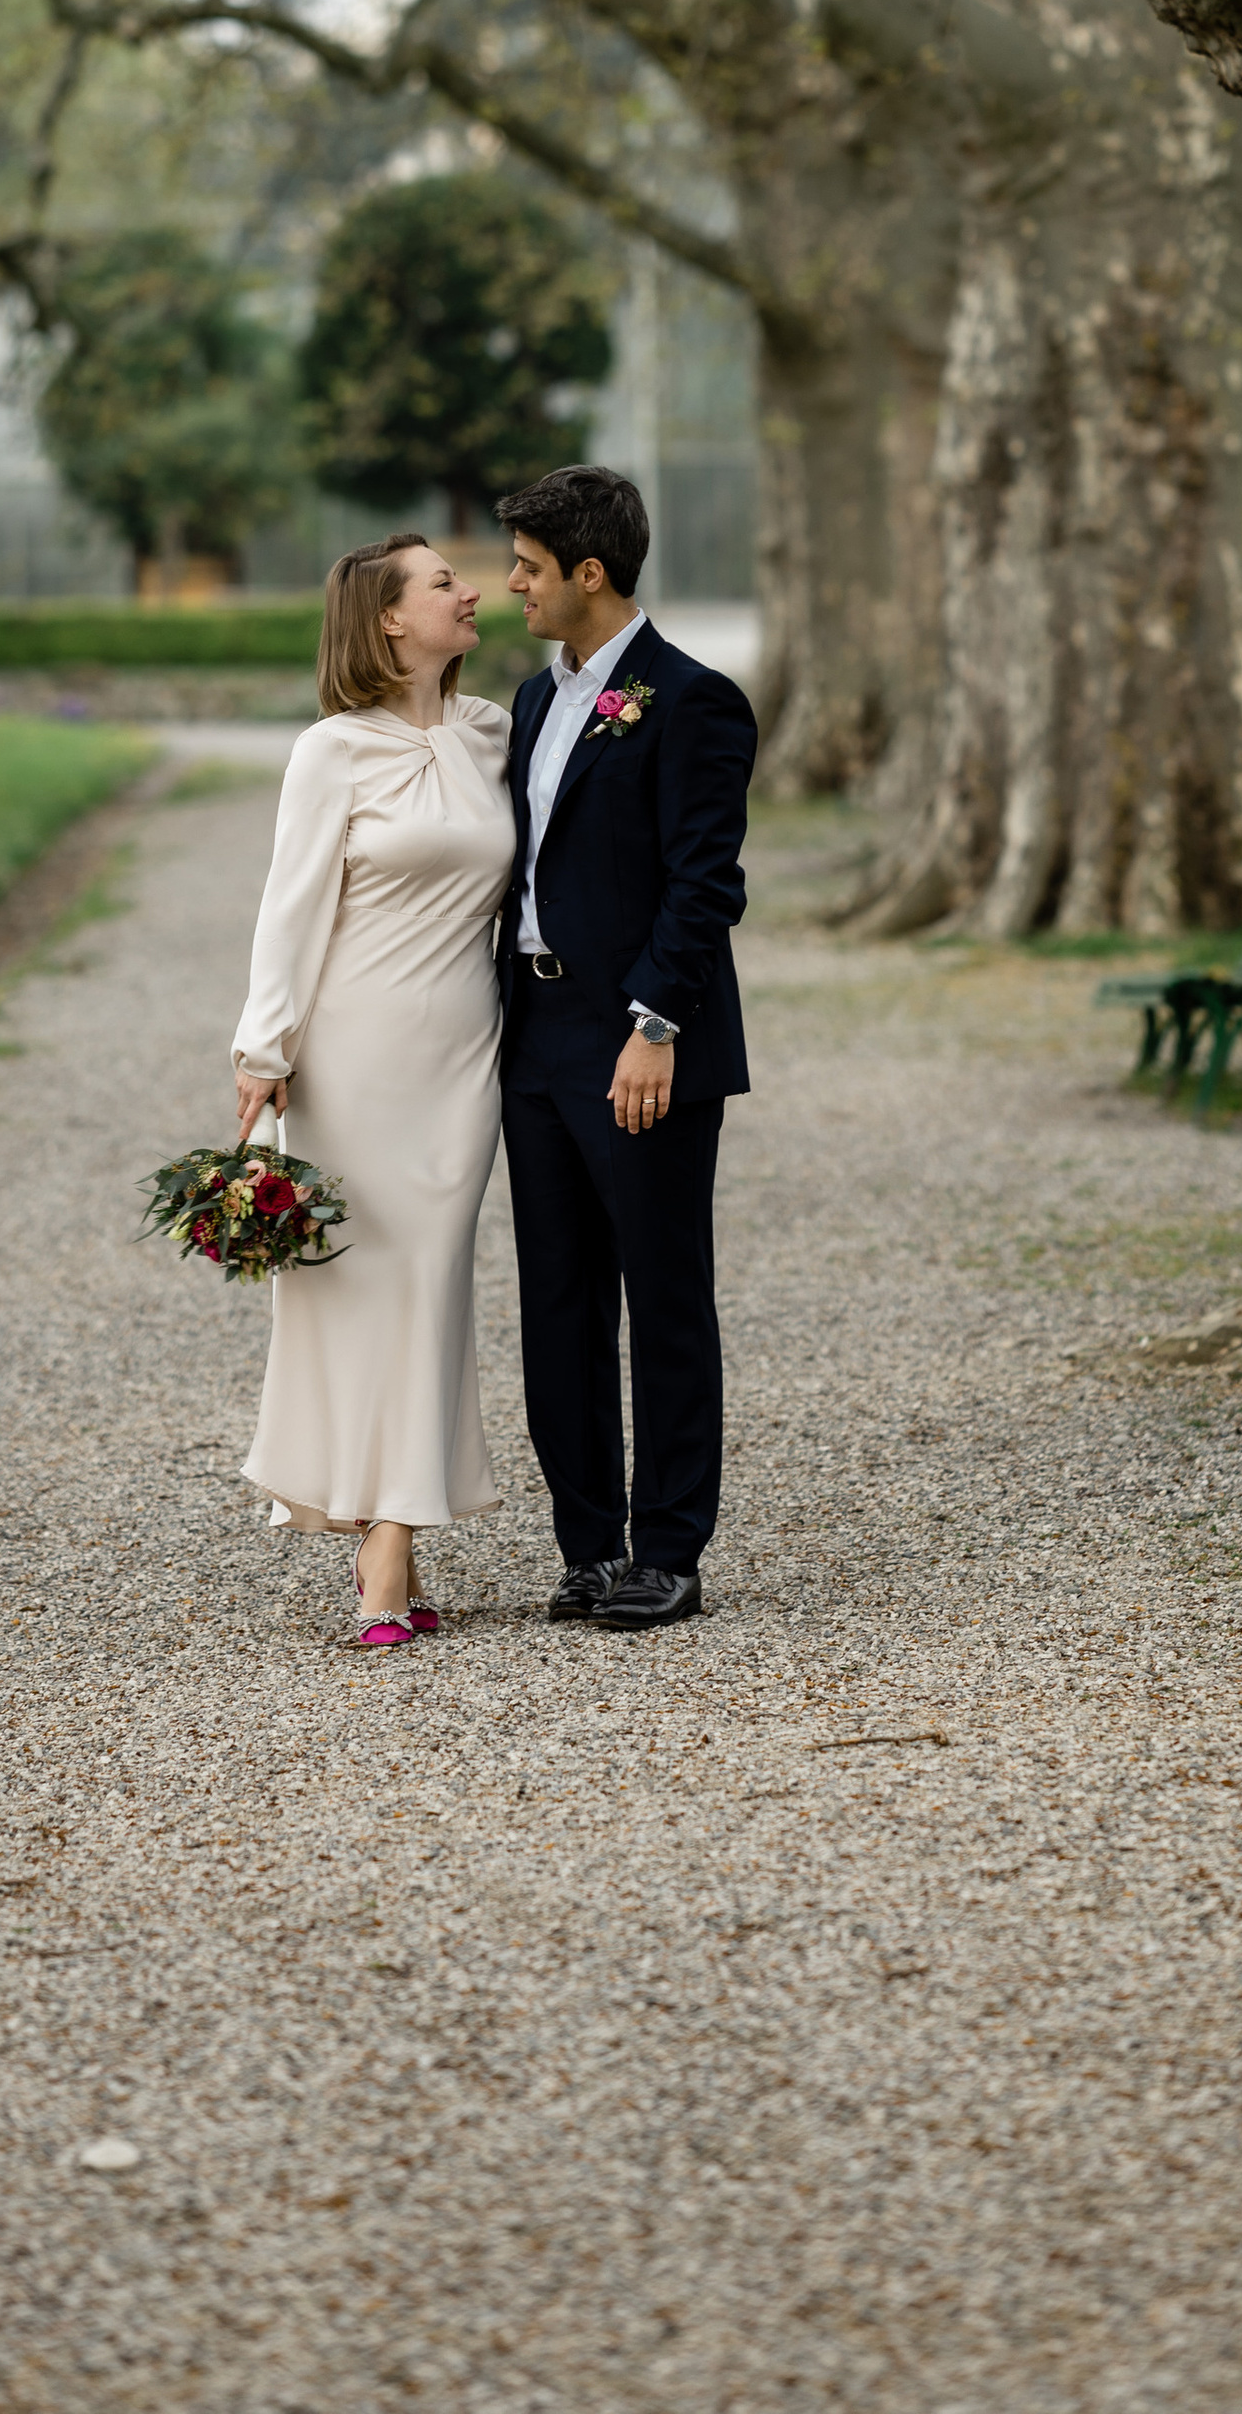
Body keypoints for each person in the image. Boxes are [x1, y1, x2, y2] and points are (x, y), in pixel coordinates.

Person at [229, 534, 516, 1652]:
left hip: (463, 1059)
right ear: (390, 620)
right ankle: (387, 1541)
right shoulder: (329, 753)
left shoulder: (496, 733)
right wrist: (264, 1050)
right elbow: (288, 911)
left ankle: (393, 1519)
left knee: (434, 1281)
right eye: (445, 582)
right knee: (357, 1288)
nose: (471, 591)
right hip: (353, 1060)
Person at [495, 464, 759, 1630]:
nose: (511, 586)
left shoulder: (692, 698)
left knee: (661, 1292)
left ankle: (670, 1550)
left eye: (528, 568)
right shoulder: (532, 699)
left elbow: (704, 888)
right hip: (535, 1038)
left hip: (640, 1042)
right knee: (555, 1298)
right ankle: (587, 1545)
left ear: (587, 573)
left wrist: (655, 1026)